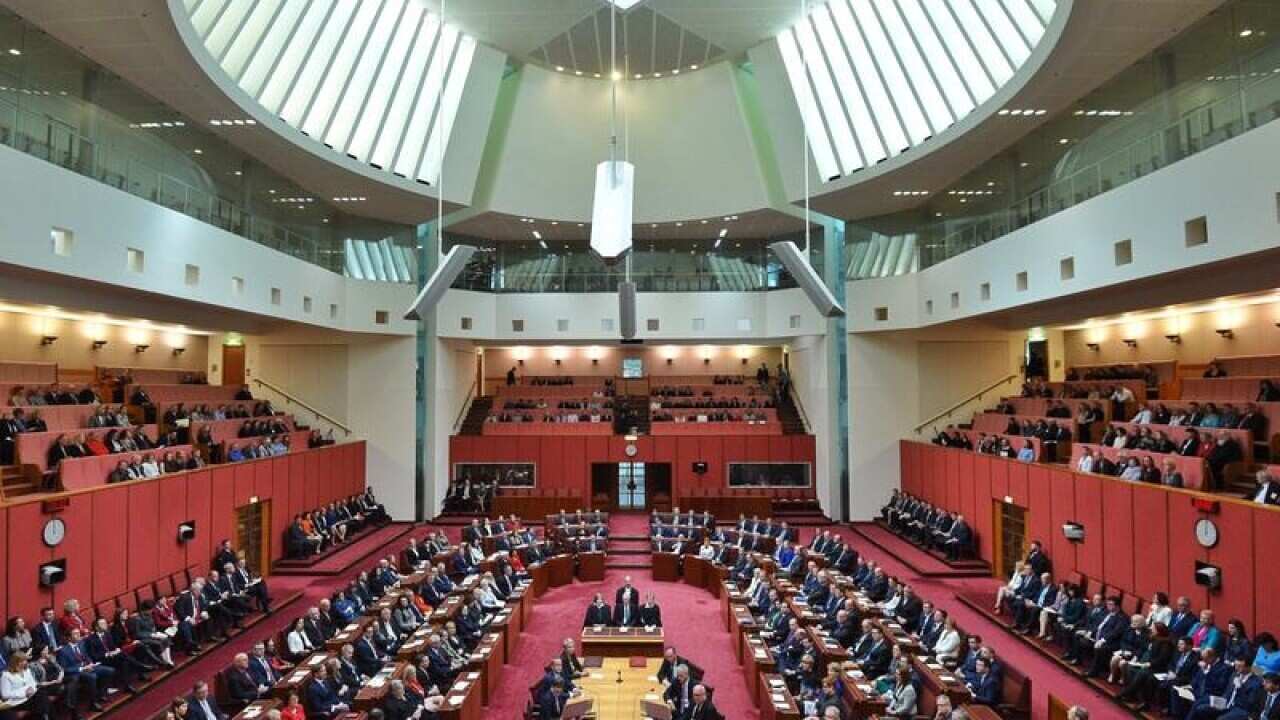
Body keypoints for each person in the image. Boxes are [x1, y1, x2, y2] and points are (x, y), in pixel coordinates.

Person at [1, 651, 49, 720]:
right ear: (15, 662)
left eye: (25, 660)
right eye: (22, 661)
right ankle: (45, 716)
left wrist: (32, 689)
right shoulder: (6, 675)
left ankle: (44, 716)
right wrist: (24, 693)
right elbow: (5, 695)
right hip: (17, 702)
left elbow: (33, 683)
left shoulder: (27, 670)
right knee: (41, 699)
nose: (25, 662)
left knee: (41, 695)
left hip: (30, 698)